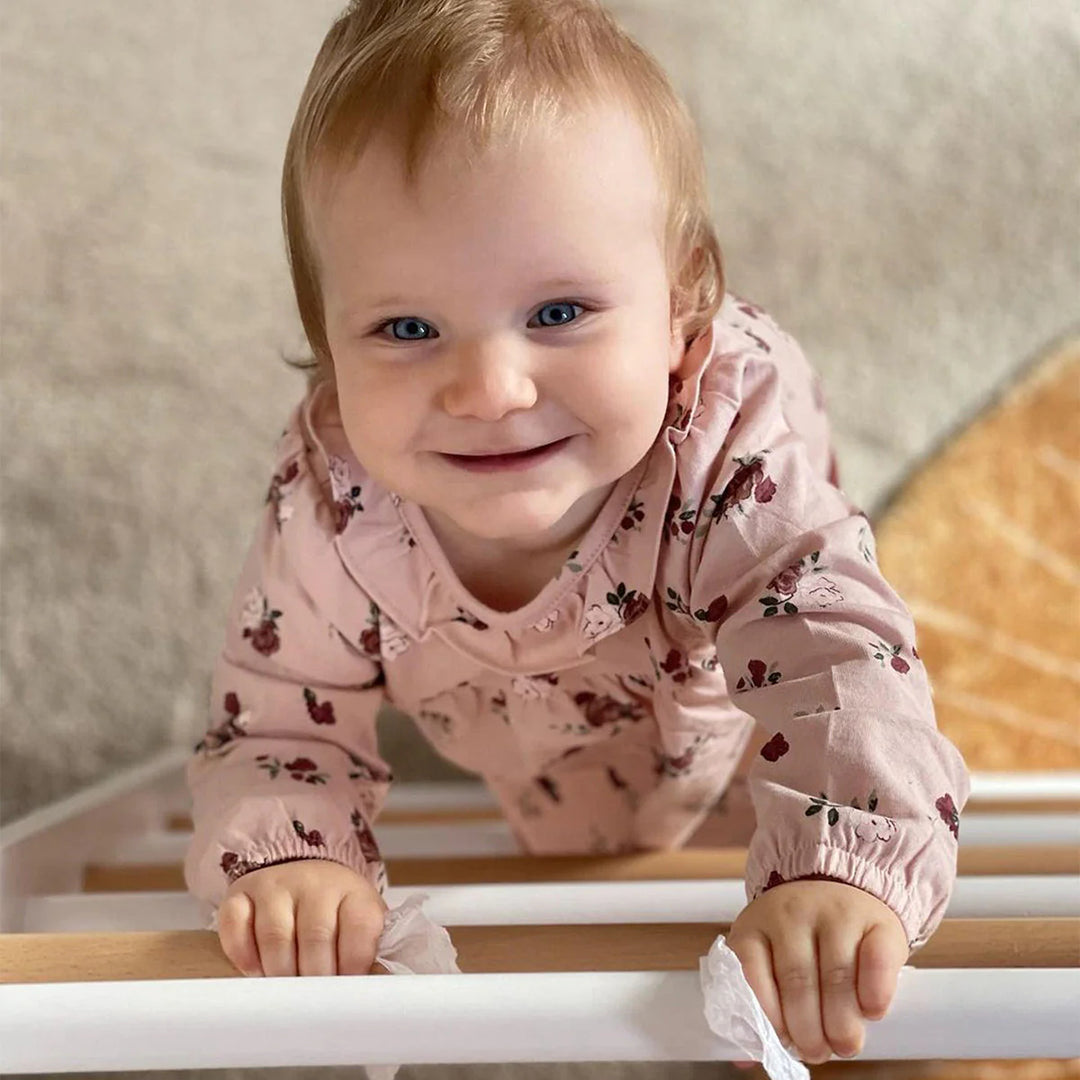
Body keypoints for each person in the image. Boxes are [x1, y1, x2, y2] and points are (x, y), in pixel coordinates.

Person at [183, 0, 970, 1066]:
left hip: (731, 697)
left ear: (682, 299)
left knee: (806, 702)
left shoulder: (720, 451)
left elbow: (831, 653)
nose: (490, 389)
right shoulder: (340, 500)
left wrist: (840, 866)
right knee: (575, 840)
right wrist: (295, 861)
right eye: (406, 329)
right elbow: (275, 723)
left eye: (558, 313)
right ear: (328, 344)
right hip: (531, 754)